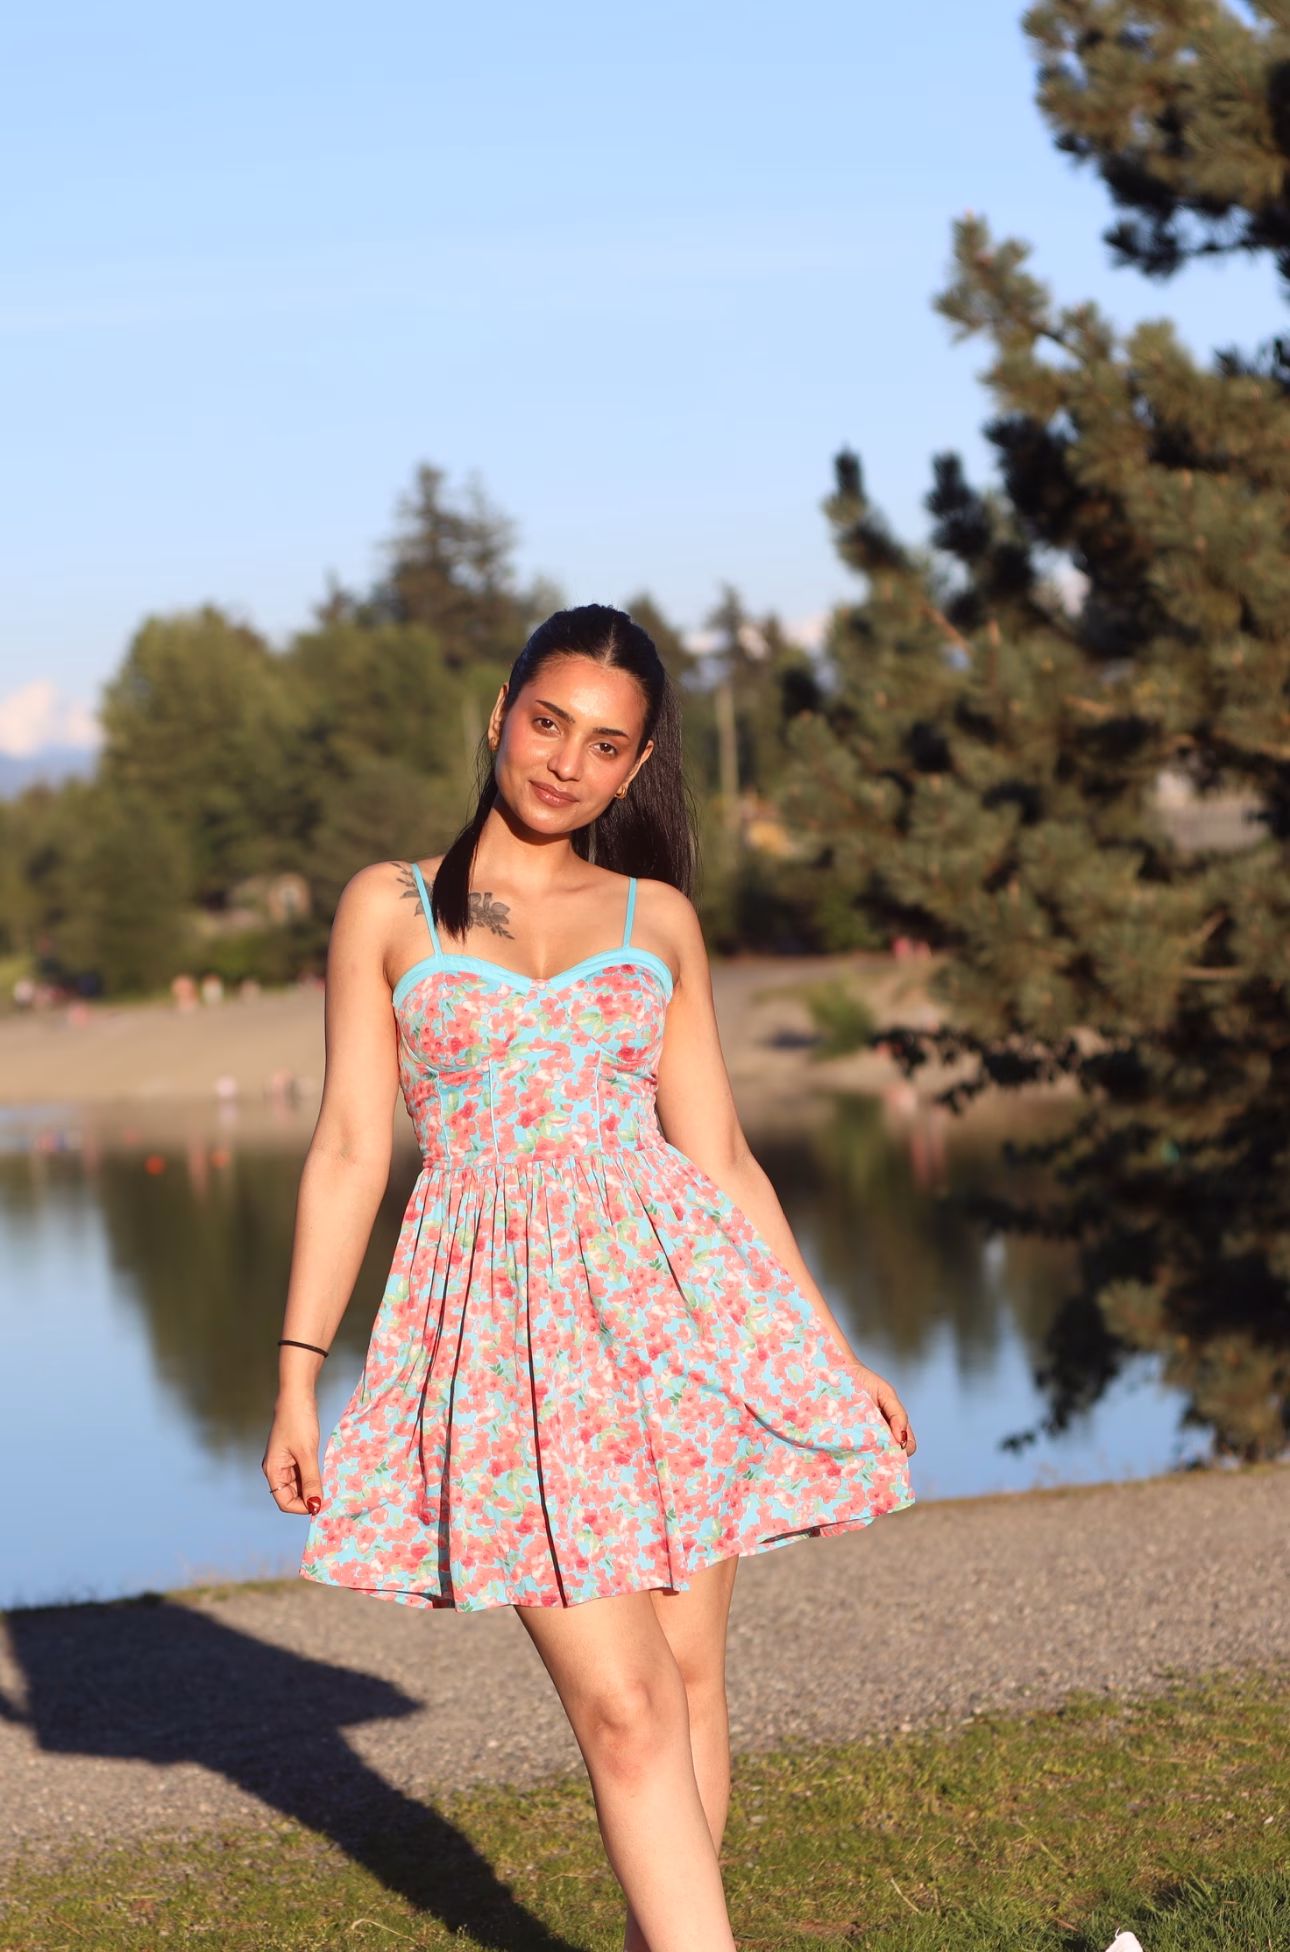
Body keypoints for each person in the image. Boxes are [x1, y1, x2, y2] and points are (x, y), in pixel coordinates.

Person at [263, 603, 915, 1952]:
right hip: (501, 1335)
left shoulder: (654, 917)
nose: (566, 761)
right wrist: (297, 1374)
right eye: (548, 723)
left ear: (636, 767)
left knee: (685, 1681)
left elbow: (720, 1155)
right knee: (623, 1706)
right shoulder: (390, 905)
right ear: (499, 716)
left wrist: (827, 1346)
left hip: (677, 1318)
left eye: (605, 744)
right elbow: (348, 1151)